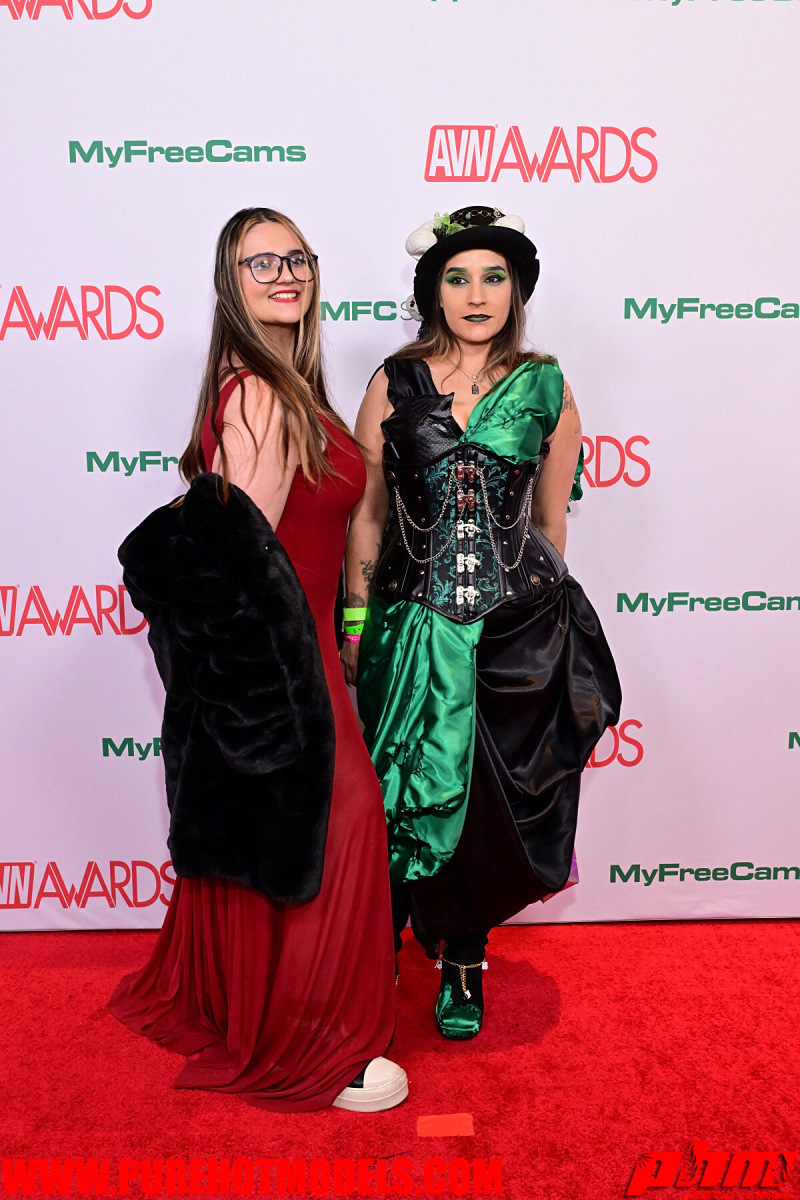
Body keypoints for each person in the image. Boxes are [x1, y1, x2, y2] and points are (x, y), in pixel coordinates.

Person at [108, 207, 407, 1112]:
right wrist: (267, 709)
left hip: (311, 647)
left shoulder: (287, 385)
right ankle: (319, 1041)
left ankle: (250, 1001)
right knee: (340, 825)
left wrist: (346, 631)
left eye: (297, 258)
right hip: (284, 664)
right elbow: (239, 564)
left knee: (299, 831)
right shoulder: (260, 395)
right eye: (260, 262)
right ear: (228, 284)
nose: (285, 274)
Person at [342, 206, 621, 1040]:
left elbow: (551, 521)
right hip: (410, 626)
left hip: (515, 635)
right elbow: (367, 514)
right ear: (432, 290)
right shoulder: (395, 380)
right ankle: (373, 961)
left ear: (516, 290)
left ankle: (464, 961)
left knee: (489, 814)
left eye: (493, 277)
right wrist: (356, 618)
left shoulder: (547, 385)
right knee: (396, 797)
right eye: (458, 277)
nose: (476, 294)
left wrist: (547, 624)